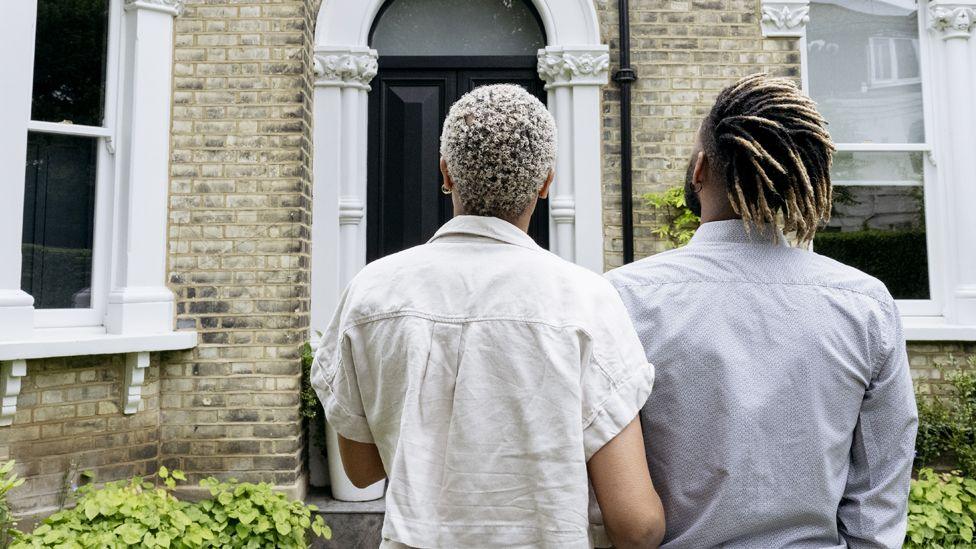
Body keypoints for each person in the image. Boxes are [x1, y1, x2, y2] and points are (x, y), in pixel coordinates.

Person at [312, 84, 665, 549]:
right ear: (545, 183)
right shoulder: (586, 301)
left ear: (446, 174)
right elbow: (635, 526)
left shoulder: (372, 293)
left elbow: (360, 471)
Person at [606, 74, 918, 548]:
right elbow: (878, 497)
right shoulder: (866, 306)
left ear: (699, 170)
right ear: (801, 177)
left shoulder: (624, 299)